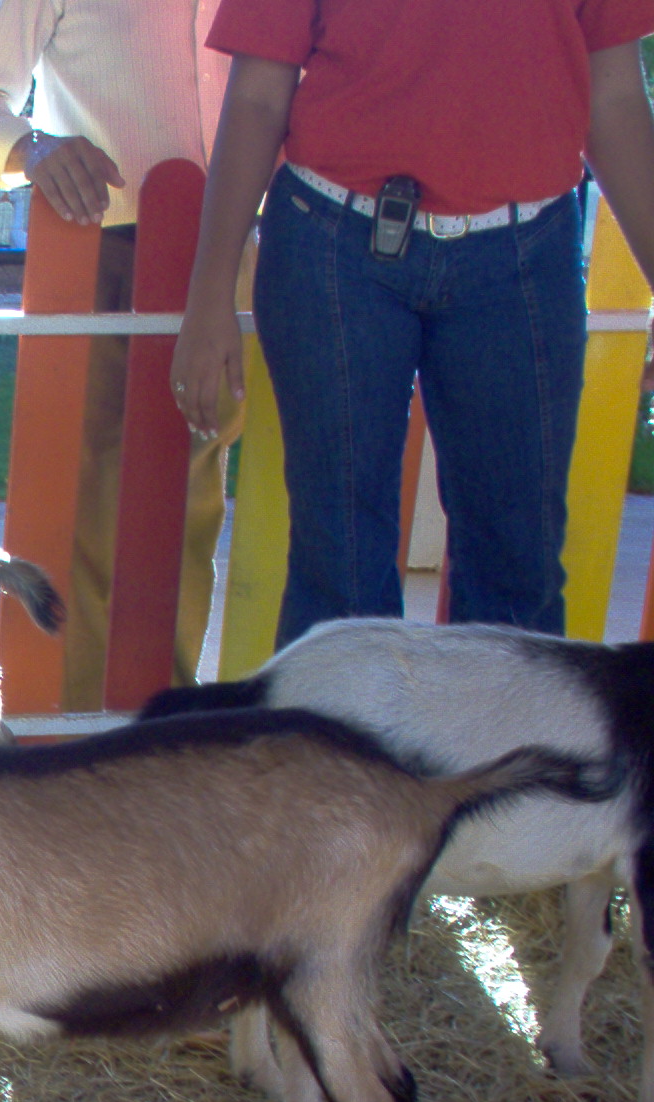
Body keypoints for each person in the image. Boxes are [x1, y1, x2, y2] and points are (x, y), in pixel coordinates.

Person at [171, 0, 654, 644]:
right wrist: (208, 298)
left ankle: (500, 751)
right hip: (333, 246)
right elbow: (259, 94)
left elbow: (616, 93)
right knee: (340, 578)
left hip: (522, 255)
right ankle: (339, 750)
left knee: (518, 580)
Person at [0, 0, 235, 707]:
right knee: (98, 505)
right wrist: (34, 149)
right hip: (111, 251)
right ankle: (76, 737)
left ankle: (164, 717)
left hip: (234, 251)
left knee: (196, 502)